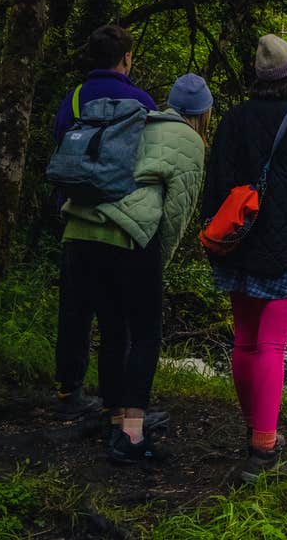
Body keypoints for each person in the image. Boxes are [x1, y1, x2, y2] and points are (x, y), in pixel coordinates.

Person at [202, 34, 287, 482]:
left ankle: (254, 430)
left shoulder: (233, 119)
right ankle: (263, 449)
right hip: (286, 253)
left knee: (245, 340)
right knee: (271, 346)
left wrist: (216, 238)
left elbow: (215, 184)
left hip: (237, 245)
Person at [60, 74, 211, 463]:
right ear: (203, 113)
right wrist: (157, 263)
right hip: (126, 236)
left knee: (113, 330)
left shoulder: (140, 120)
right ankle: (131, 434)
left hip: (79, 229)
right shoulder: (190, 140)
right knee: (145, 334)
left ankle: (114, 419)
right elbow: (177, 211)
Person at [51, 25, 158, 420]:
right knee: (119, 319)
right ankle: (117, 402)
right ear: (126, 58)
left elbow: (61, 144)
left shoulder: (75, 97)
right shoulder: (141, 100)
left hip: (75, 219)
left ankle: (69, 390)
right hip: (121, 224)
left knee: (75, 310)